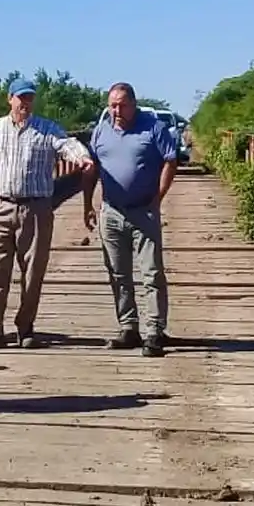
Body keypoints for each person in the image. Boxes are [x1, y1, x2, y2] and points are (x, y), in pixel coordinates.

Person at [0, 77, 93, 350]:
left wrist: (82, 157)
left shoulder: (46, 129)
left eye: (29, 97)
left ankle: (26, 327)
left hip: (36, 208)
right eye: (20, 97)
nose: (25, 102)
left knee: (33, 271)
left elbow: (66, 144)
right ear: (9, 99)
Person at [82, 82, 179, 357]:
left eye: (122, 105)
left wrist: (158, 197)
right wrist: (87, 204)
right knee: (118, 273)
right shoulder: (101, 131)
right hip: (111, 211)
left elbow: (170, 160)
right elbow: (91, 168)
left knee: (151, 273)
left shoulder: (153, 127)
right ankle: (128, 327)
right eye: (112, 105)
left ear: (133, 104)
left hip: (143, 211)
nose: (116, 110)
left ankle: (155, 331)